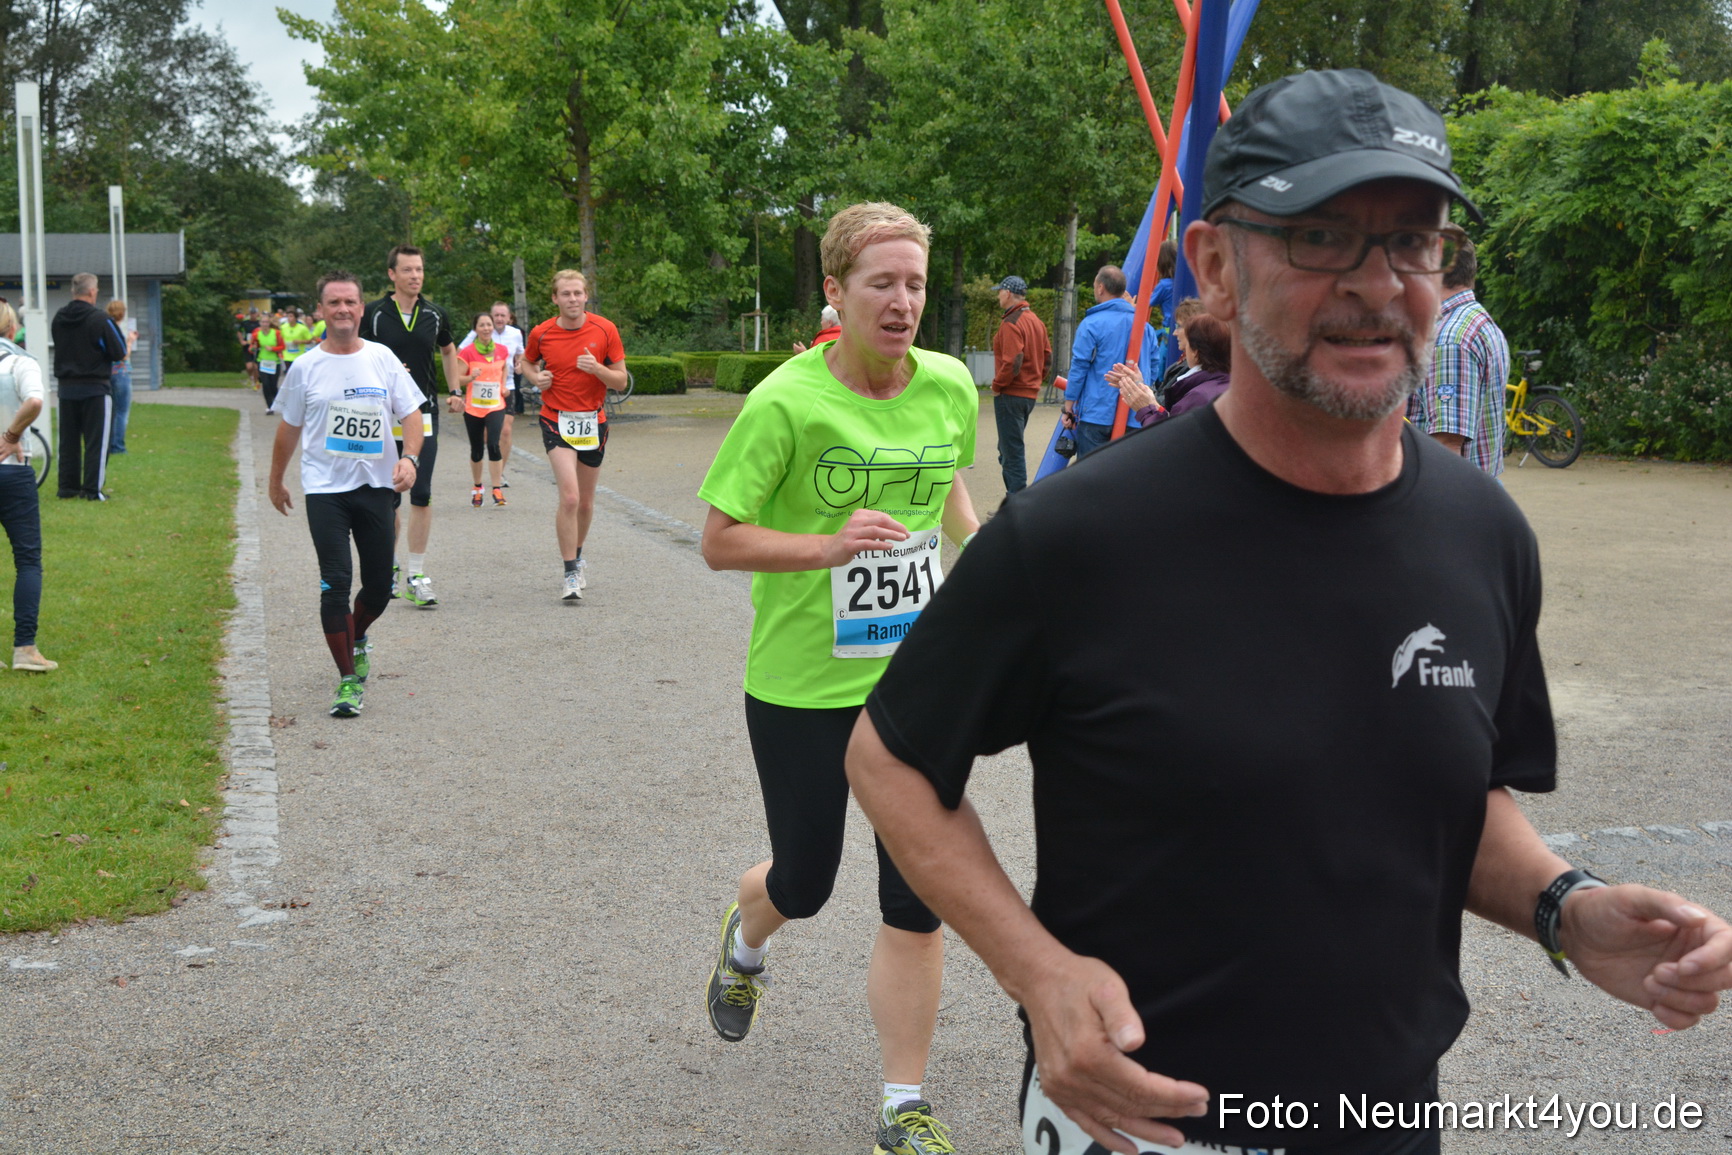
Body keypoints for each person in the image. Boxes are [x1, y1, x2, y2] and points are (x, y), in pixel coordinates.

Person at [845, 68, 1732, 1155]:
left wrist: (1566, 908)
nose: (1377, 283)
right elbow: (889, 757)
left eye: (1413, 241)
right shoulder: (1080, 535)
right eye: (1320, 237)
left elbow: (1450, 803)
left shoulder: (1481, 534)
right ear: (1216, 267)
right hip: (1137, 1123)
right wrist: (1036, 971)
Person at [697, 201, 981, 1155]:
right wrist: (828, 545)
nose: (902, 302)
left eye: (915, 284)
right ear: (835, 292)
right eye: (881, 283)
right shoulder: (783, 400)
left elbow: (940, 479)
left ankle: (903, 1104)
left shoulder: (947, 385)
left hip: (915, 684)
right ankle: (747, 933)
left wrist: (980, 557)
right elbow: (719, 541)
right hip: (801, 683)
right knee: (807, 879)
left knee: (918, 893)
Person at [268, 271, 425, 718]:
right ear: (320, 310)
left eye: (350, 302)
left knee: (379, 587)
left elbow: (411, 413)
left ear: (361, 309)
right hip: (325, 491)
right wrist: (275, 479)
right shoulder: (305, 367)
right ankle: (348, 680)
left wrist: (409, 459)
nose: (342, 310)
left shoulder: (382, 358)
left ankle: (357, 636)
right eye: (333, 303)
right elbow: (288, 427)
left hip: (376, 487)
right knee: (335, 582)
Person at [362, 245, 460, 608]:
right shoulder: (372, 314)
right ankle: (387, 566)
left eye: (419, 270)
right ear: (392, 274)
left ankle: (416, 575)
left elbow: (449, 350)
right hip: (381, 417)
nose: (415, 276)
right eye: (407, 270)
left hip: (423, 414)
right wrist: (383, 373)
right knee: (387, 496)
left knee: (421, 492)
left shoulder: (435, 314)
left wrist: (455, 389)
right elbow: (354, 353)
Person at [522, 270, 626, 601]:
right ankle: (569, 573)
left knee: (586, 501)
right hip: (556, 420)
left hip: (593, 421)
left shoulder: (605, 329)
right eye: (566, 294)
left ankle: (578, 557)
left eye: (578, 293)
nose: (573, 300)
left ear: (586, 296)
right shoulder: (542, 333)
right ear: (555, 298)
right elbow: (525, 363)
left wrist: (598, 370)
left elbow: (621, 381)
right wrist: (536, 378)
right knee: (570, 497)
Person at [1407, 236, 1509, 476]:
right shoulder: (1477, 320)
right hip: (1479, 490)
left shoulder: (1451, 339)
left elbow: (1448, 444)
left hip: (1452, 497)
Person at [0, 303, 55, 671]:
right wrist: (12, 433)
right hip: (12, 469)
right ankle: (25, 648)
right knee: (28, 560)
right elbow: (34, 400)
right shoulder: (20, 362)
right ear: (12, 327)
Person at [1061, 266, 1156, 459]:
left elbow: (1080, 366)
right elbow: (1153, 367)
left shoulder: (1091, 323)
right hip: (1134, 412)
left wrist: (1069, 403)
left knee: (1091, 475)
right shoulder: (1145, 327)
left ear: (1100, 288)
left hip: (1097, 412)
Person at [51, 272, 126, 500]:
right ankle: (92, 490)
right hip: (95, 388)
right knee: (97, 442)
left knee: (69, 441)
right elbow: (119, 351)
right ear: (92, 292)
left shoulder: (59, 318)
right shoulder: (100, 319)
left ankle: (67, 487)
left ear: (73, 291)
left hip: (66, 388)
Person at [1107, 312, 1232, 428]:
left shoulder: (1199, 396)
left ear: (1196, 352)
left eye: (1179, 326)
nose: (1174, 333)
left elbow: (1169, 440)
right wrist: (1142, 390)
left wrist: (1145, 410)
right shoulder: (1227, 384)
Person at [988, 275, 1050, 495]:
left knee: (1011, 452)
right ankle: (1014, 501)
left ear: (1006, 293)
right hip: (1029, 395)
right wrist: (1035, 381)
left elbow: (1013, 361)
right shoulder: (1036, 321)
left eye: (999, 292)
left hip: (1010, 395)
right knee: (1007, 449)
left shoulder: (1011, 322)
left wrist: (997, 386)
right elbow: (1047, 357)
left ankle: (1016, 505)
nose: (997, 296)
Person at [450, 310, 511, 506]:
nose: (486, 328)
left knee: (493, 444)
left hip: (495, 406)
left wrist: (503, 386)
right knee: (477, 449)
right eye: (482, 325)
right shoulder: (467, 352)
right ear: (475, 329)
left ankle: (497, 489)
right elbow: (457, 378)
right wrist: (470, 377)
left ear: (494, 327)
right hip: (474, 408)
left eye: (489, 324)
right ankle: (477, 487)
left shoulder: (501, 349)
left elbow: (504, 368)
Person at [460, 302, 525, 483]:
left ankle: (499, 473)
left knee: (505, 430)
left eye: (502, 315)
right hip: (479, 390)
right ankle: (485, 468)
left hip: (506, 387)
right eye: (496, 315)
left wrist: (520, 364)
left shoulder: (515, 334)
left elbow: (521, 354)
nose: (499, 319)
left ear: (509, 317)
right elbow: (459, 352)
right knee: (487, 436)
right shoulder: (479, 331)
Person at [105, 299, 137, 455]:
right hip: (121, 373)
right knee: (122, 411)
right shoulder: (117, 331)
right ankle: (118, 446)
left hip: (108, 372)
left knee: (111, 412)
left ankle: (109, 443)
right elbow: (123, 355)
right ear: (122, 313)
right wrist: (130, 342)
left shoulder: (106, 329)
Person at [256, 312, 287, 412]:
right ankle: (269, 407)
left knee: (273, 385)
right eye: (263, 322)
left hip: (274, 362)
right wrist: (252, 348)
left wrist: (273, 348)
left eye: (266, 322)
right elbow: (253, 346)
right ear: (260, 323)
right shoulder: (256, 333)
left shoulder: (276, 333)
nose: (264, 324)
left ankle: (278, 403)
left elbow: (283, 347)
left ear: (269, 323)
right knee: (265, 384)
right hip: (262, 361)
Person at [239, 307, 262, 390]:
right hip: (247, 346)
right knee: (249, 367)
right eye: (251, 313)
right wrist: (242, 340)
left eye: (254, 313)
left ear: (257, 314)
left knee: (256, 366)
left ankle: (256, 382)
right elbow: (239, 331)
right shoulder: (245, 323)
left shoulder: (260, 323)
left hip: (257, 347)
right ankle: (251, 377)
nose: (253, 315)